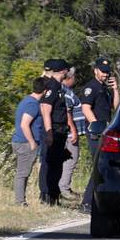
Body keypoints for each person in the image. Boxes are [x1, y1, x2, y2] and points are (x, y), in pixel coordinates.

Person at [80, 56, 120, 213]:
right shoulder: (91, 88)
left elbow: (116, 107)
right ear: (95, 70)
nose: (105, 74)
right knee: (99, 166)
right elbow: (86, 108)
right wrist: (97, 126)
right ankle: (87, 202)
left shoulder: (105, 89)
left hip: (105, 132)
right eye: (102, 72)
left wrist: (115, 89)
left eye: (107, 72)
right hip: (96, 133)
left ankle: (96, 201)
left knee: (104, 167)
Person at [39, 59, 78, 205]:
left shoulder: (58, 86)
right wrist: (49, 133)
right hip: (54, 131)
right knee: (50, 164)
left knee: (56, 164)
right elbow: (45, 109)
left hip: (60, 131)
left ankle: (53, 195)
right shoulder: (53, 86)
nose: (68, 72)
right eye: (67, 70)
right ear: (63, 71)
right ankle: (47, 196)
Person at [11, 77, 48, 206]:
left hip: (21, 141)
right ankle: (20, 201)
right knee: (23, 173)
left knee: (23, 172)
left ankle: (21, 200)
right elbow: (24, 124)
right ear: (45, 91)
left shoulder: (28, 100)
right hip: (25, 143)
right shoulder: (32, 104)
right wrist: (32, 142)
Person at [58, 67, 85, 202]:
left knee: (69, 160)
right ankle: (64, 189)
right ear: (70, 78)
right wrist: (73, 130)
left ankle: (63, 188)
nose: (75, 80)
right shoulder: (66, 93)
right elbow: (67, 112)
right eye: (74, 77)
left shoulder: (67, 91)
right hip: (69, 134)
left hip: (70, 133)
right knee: (71, 160)